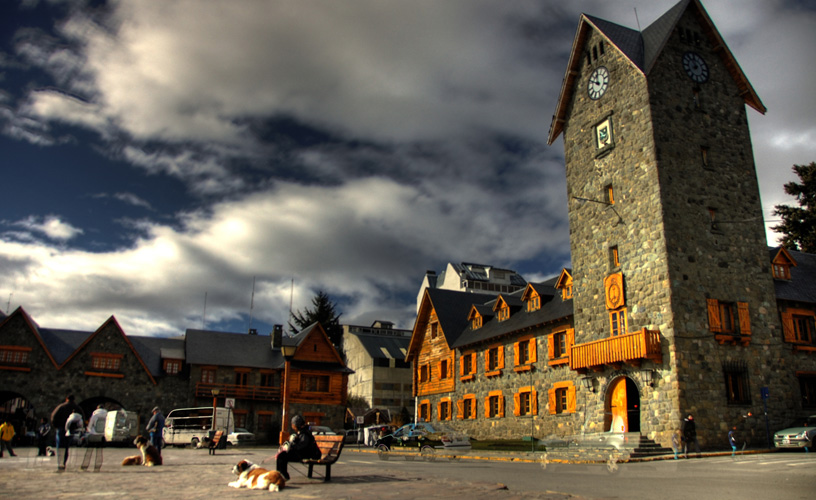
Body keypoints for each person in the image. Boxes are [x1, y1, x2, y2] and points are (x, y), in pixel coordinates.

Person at [276, 415, 321, 480]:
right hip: (305, 453)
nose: (292, 426)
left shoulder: (304, 433)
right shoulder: (302, 432)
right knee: (281, 455)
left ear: (295, 425)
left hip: (308, 454)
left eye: (293, 424)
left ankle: (283, 475)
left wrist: (291, 447)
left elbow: (302, 446)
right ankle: (280, 474)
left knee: (282, 456)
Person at [51, 395, 84, 471]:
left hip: (61, 428)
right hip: (71, 430)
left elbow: (53, 417)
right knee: (66, 447)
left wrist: (56, 426)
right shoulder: (77, 408)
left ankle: (60, 464)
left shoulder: (61, 407)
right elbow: (82, 418)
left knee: (60, 447)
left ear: (66, 399)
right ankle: (64, 462)